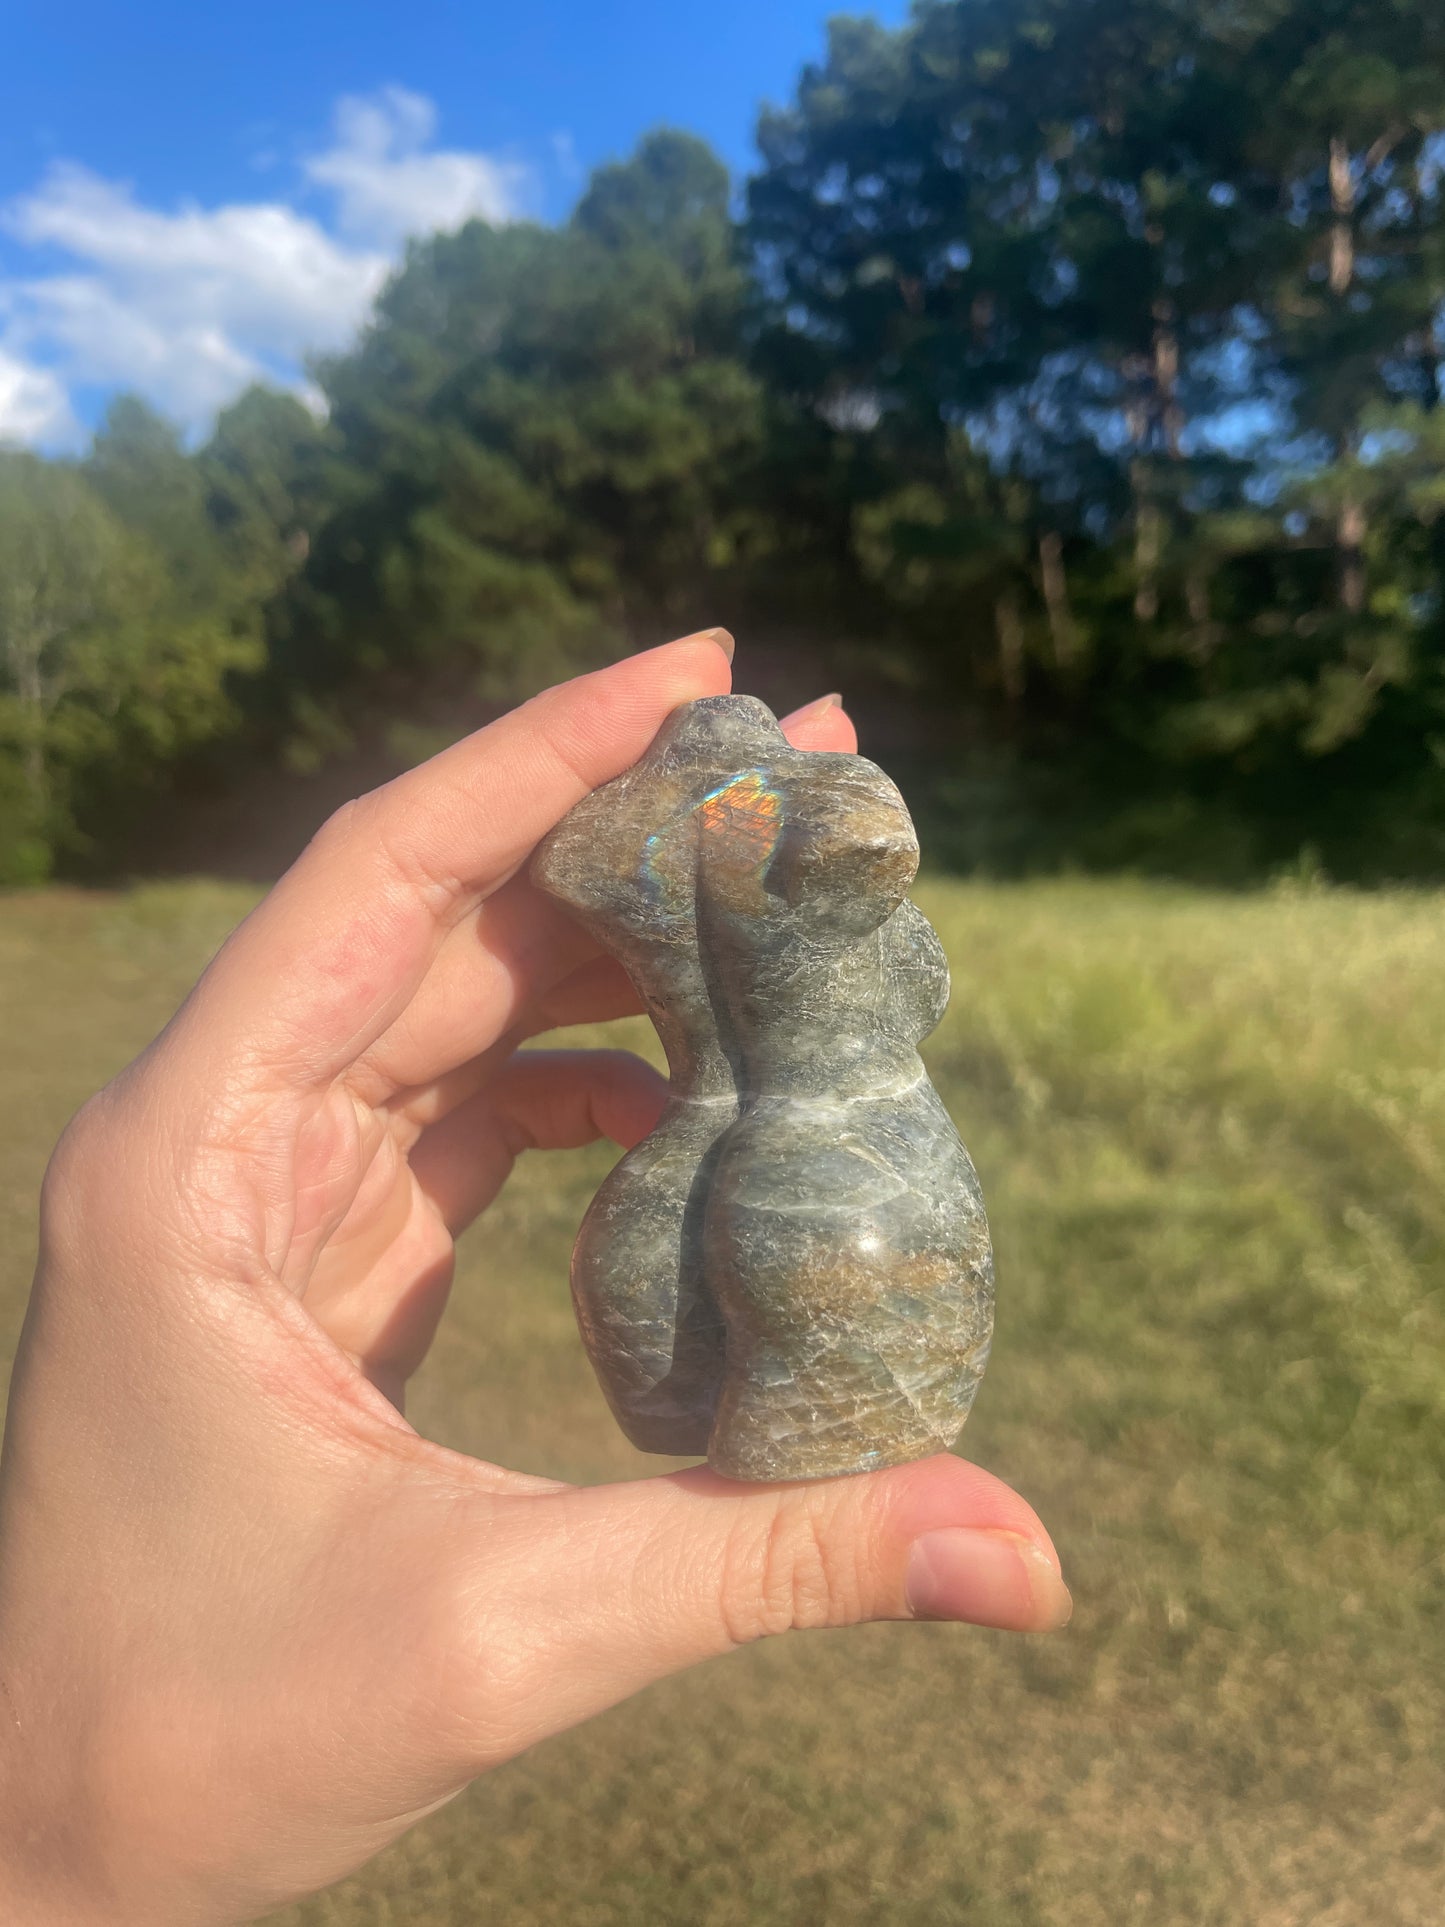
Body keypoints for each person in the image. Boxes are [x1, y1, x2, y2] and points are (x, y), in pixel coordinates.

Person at [0, 632, 1069, 1925]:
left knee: (696, 1388)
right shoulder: (815, 813)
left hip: (686, 1157)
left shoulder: (630, 839)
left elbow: (576, 859)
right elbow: (885, 884)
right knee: (828, 1425)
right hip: (849, 1175)